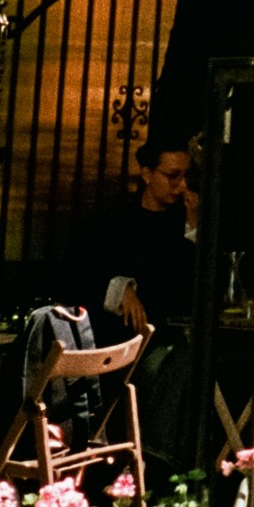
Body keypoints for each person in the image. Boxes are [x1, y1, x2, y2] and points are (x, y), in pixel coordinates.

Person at [88, 137, 199, 459]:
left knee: (183, 362)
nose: (180, 185)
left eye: (185, 176)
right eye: (172, 175)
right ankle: (149, 453)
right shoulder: (115, 220)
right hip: (121, 338)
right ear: (148, 174)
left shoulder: (186, 222)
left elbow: (191, 287)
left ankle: (157, 454)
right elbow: (86, 270)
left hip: (168, 332)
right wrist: (121, 287)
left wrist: (192, 230)